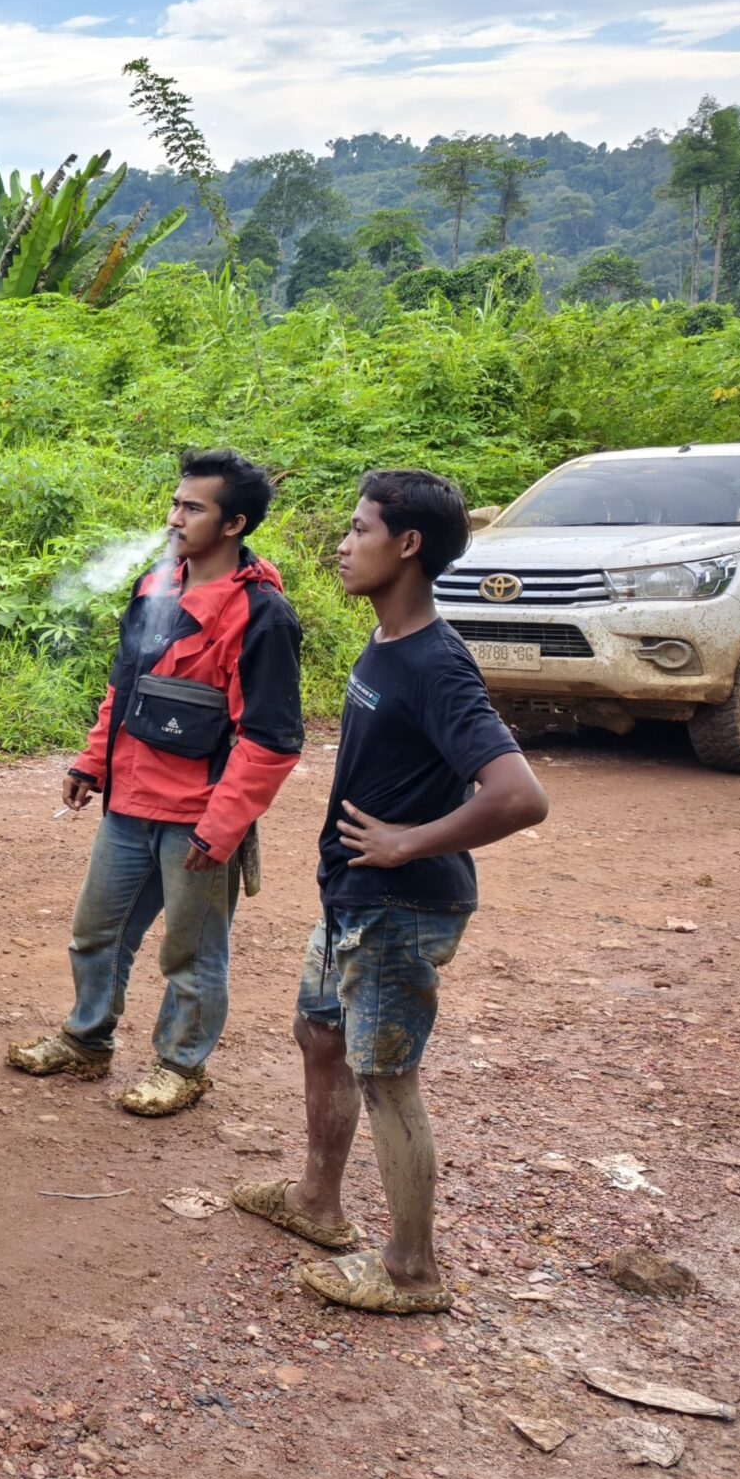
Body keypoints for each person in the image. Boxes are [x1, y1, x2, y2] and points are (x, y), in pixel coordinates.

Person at [232, 471, 547, 1314]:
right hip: (356, 897)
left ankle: (413, 1270)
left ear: (407, 545)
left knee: (387, 1074)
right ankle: (318, 1203)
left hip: (402, 907)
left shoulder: (437, 665)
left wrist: (410, 841)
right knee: (318, 1032)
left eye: (360, 528)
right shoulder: (386, 643)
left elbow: (520, 796)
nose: (343, 544)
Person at [7, 449, 304, 1116]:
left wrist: (222, 828)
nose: (174, 518)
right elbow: (125, 687)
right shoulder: (154, 585)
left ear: (234, 524)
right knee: (96, 932)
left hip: (198, 818)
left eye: (193, 508)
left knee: (191, 953)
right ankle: (87, 1040)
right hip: (130, 804)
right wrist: (93, 762)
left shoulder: (262, 617)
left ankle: (182, 1065)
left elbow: (270, 741)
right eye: (175, 504)